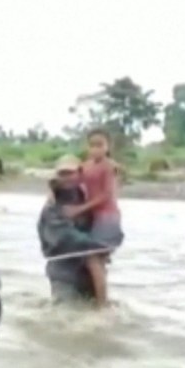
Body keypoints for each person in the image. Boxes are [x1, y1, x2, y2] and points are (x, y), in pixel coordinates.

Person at [63, 128, 124, 306]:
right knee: (97, 261)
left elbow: (106, 195)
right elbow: (73, 179)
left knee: (93, 258)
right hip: (94, 218)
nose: (96, 149)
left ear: (108, 146)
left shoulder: (108, 166)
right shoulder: (86, 165)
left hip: (107, 217)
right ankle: (99, 299)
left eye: (100, 145)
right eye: (92, 145)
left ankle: (101, 305)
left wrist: (79, 209)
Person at [38, 155, 108, 304]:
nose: (67, 178)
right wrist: (99, 246)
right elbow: (64, 238)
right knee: (66, 316)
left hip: (88, 274)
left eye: (71, 173)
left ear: (79, 174)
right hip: (64, 274)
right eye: (63, 174)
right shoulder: (52, 207)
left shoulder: (87, 197)